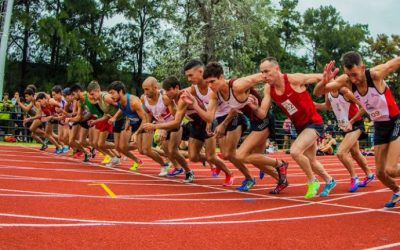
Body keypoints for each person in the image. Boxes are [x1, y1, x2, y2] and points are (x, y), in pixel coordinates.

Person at [314, 52, 400, 208]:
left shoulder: (375, 74)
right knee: (381, 173)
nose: (352, 79)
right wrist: (324, 80)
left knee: (391, 169)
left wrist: (353, 121)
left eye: (354, 74)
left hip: (395, 121)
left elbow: (395, 62)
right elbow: (318, 92)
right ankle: (397, 190)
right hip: (380, 126)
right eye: (348, 75)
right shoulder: (346, 81)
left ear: (362, 67)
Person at [199, 61, 288, 193]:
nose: (210, 86)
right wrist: (195, 106)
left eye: (212, 81)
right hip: (253, 122)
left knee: (241, 155)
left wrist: (286, 82)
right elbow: (209, 117)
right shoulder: (214, 94)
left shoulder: (237, 85)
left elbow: (261, 76)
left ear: (222, 77)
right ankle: (281, 179)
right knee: (256, 159)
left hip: (263, 119)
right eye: (207, 83)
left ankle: (280, 164)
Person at [260, 57, 336, 198]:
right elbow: (262, 112)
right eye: (262, 72)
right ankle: (329, 180)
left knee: (295, 152)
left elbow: (320, 77)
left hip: (314, 122)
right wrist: (246, 105)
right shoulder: (268, 89)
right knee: (311, 161)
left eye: (266, 71)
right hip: (300, 126)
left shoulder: (294, 79)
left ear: (276, 69)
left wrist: (329, 82)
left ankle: (312, 181)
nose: (264, 76)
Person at [315, 87, 374, 192]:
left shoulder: (345, 92)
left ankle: (354, 177)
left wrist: (351, 121)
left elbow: (363, 106)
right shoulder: (328, 92)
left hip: (355, 124)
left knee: (341, 153)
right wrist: (312, 104)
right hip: (344, 126)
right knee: (355, 153)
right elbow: (327, 106)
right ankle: (369, 174)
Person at [107, 81, 145, 170]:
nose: (111, 96)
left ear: (120, 91)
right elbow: (121, 108)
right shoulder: (119, 100)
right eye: (110, 93)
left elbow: (145, 118)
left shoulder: (134, 101)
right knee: (120, 147)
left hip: (143, 124)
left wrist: (136, 133)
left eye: (112, 93)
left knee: (144, 150)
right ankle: (138, 161)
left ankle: (165, 160)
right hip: (131, 123)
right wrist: (114, 117)